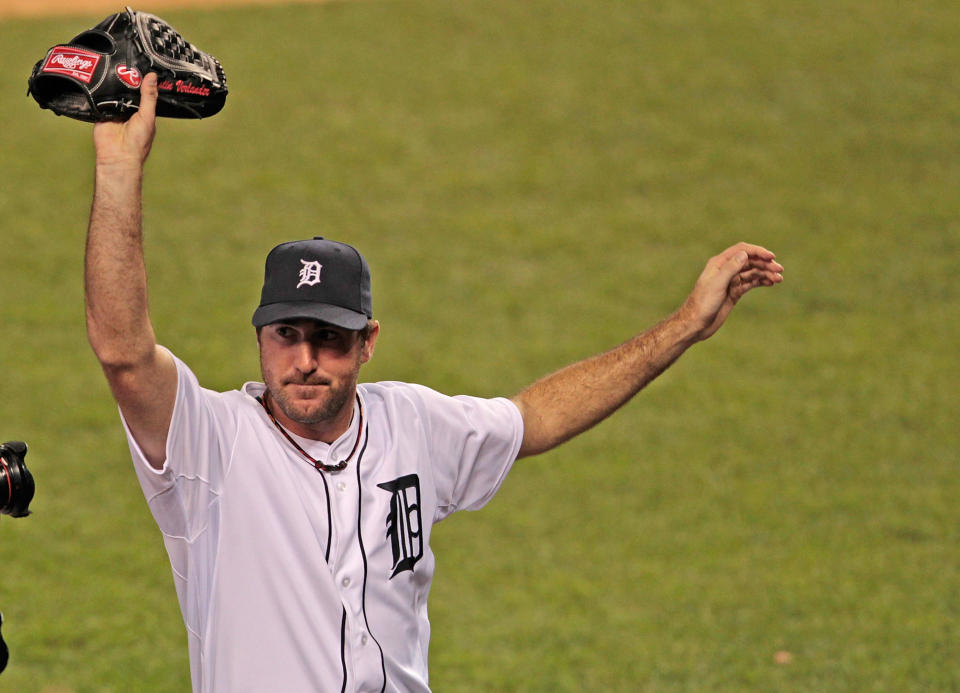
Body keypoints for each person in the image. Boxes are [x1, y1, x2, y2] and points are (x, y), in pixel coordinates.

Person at [85, 73, 783, 693]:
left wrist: (684, 324)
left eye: (328, 338)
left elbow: (533, 418)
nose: (303, 360)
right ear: (261, 337)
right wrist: (120, 170)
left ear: (368, 343)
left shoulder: (411, 424)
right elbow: (124, 352)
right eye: (286, 335)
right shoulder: (210, 448)